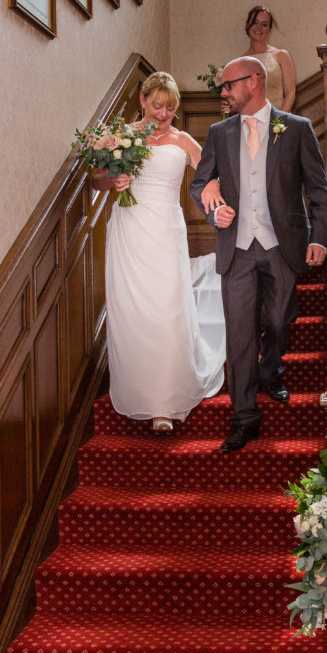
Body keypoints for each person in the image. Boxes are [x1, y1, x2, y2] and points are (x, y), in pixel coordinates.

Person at [190, 56, 327, 452]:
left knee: (279, 319)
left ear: (253, 81)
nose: (224, 92)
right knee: (238, 337)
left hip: (281, 245)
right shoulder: (219, 132)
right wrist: (214, 209)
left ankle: (271, 367)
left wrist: (318, 239)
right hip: (235, 250)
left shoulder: (297, 129)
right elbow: (200, 184)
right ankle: (245, 418)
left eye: (229, 85)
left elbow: (319, 193)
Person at [93, 72, 225, 432]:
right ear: (142, 100)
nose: (163, 113)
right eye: (157, 105)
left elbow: (213, 176)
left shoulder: (182, 141)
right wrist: (112, 181)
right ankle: (141, 392)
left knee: (167, 307)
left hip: (166, 230)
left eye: (170, 107)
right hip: (128, 227)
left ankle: (165, 405)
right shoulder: (123, 136)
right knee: (133, 308)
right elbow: (97, 178)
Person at [244, 5, 296, 111]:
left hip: (278, 122)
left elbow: (290, 93)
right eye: (255, 22)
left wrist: (278, 123)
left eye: (264, 24)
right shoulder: (241, 61)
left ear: (269, 29)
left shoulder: (281, 56)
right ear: (247, 25)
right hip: (252, 123)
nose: (259, 27)